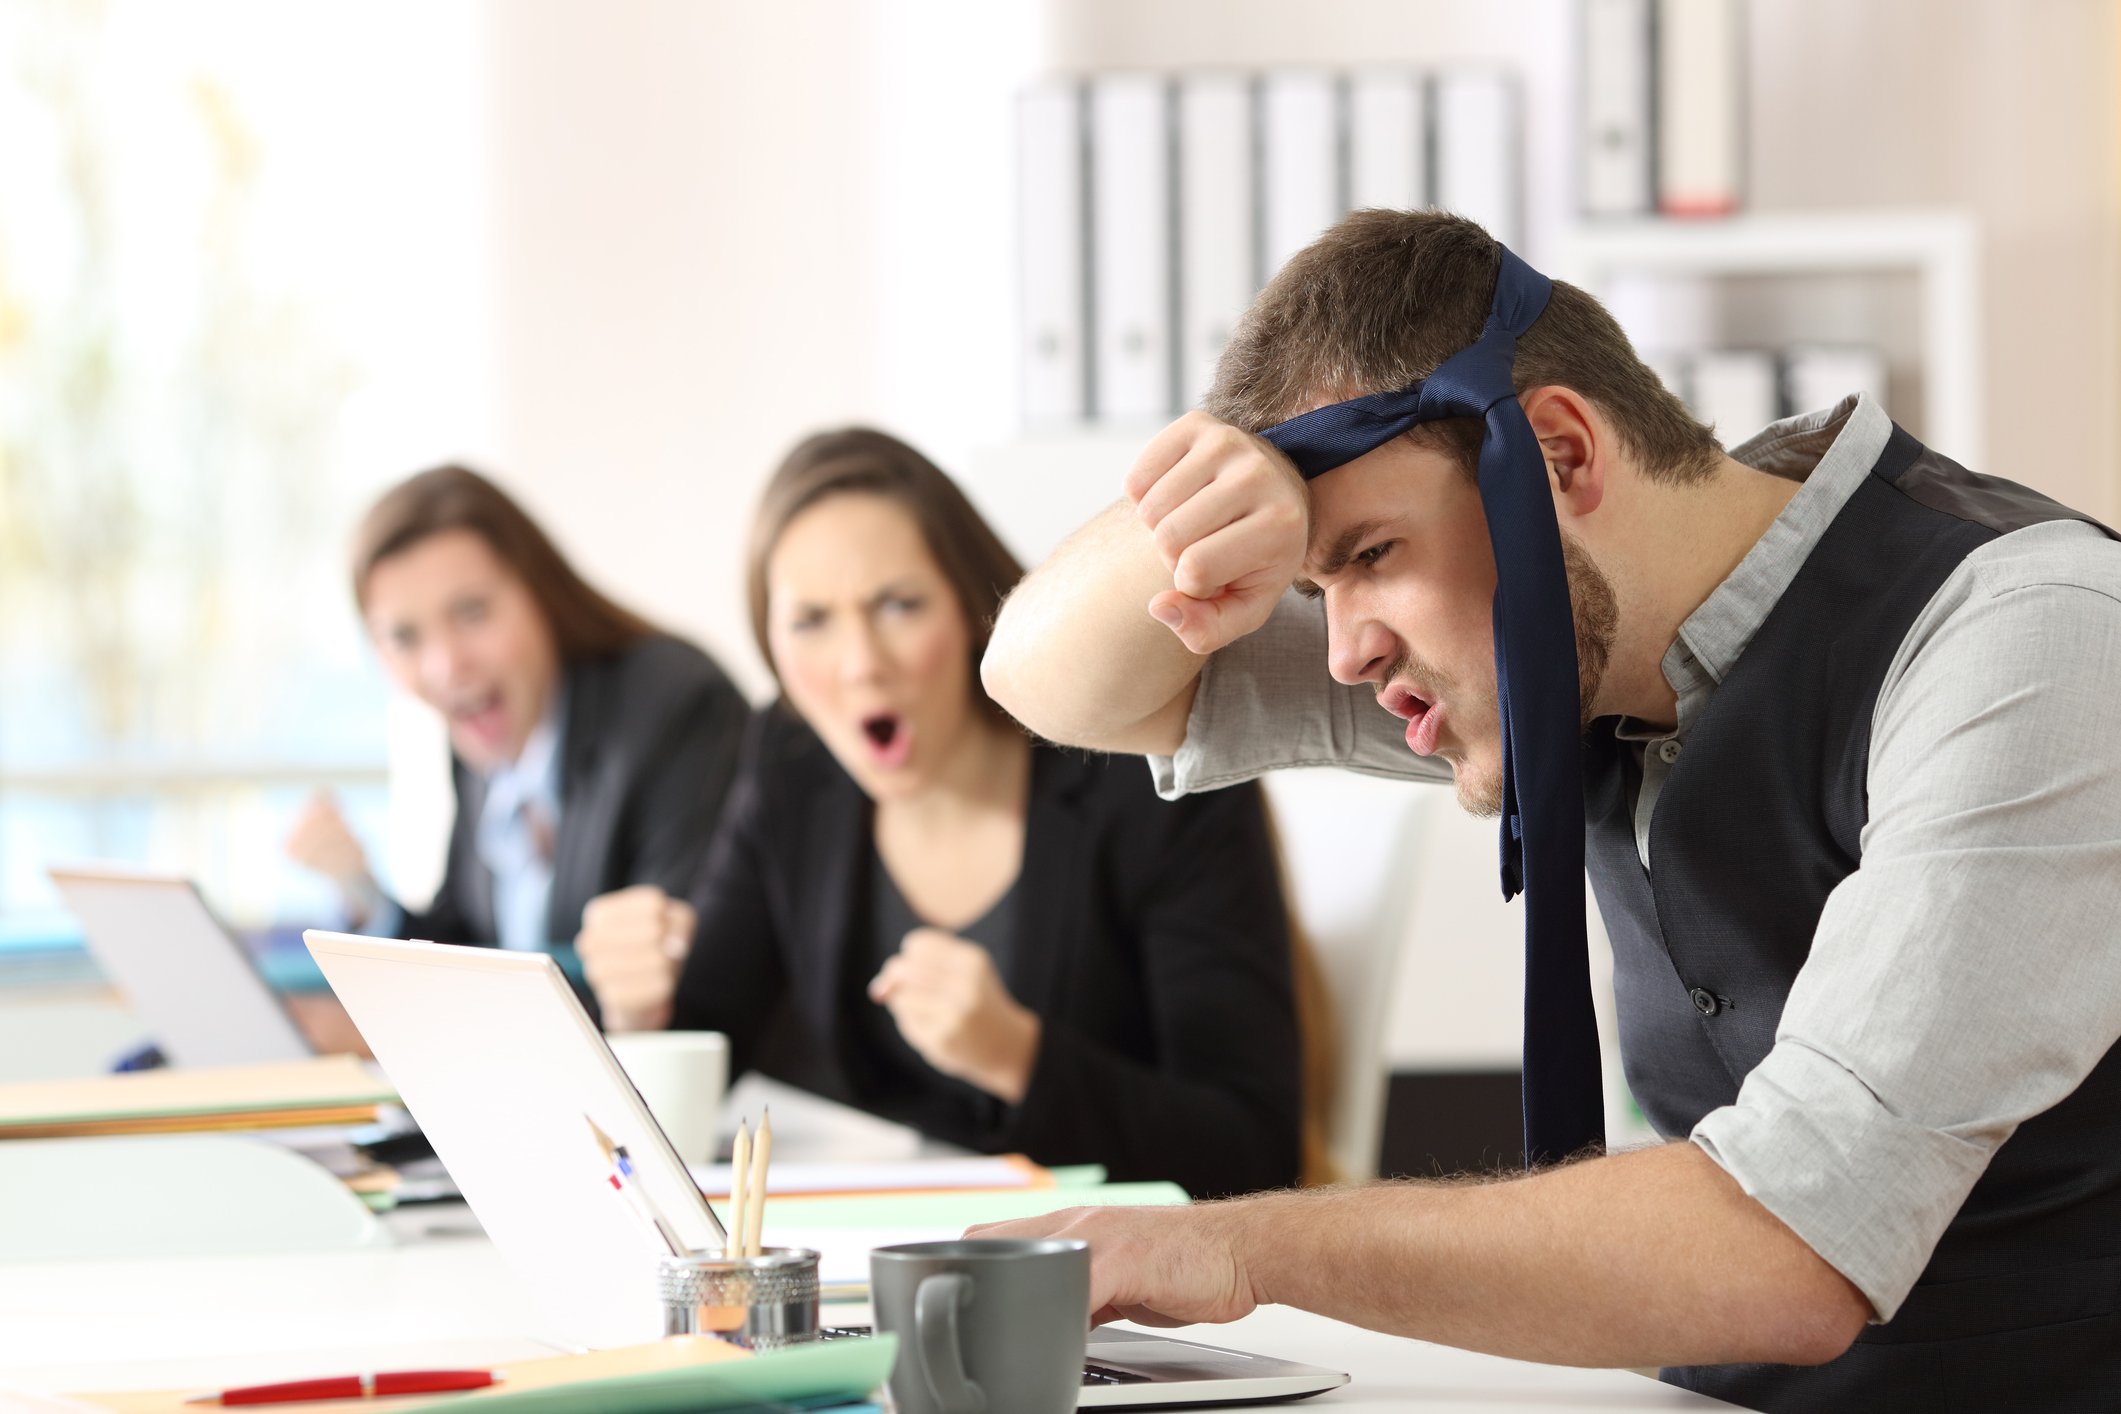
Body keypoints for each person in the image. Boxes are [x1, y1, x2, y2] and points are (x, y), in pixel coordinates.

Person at [973, 211, 2121, 1411]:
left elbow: (1791, 1245)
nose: (1347, 653)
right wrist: (1210, 505)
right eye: (1321, 583)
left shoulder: (2028, 636)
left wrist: (1234, 1249)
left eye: (1370, 552)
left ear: (1561, 458)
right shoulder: (1568, 640)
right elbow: (1045, 680)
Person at [573, 427, 1318, 1199]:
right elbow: (706, 1038)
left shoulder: (1153, 765)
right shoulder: (791, 763)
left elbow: (1251, 1150)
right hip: (886, 1243)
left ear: (970, 608)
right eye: (810, 621)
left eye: (897, 605)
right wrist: (638, 1011)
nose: (860, 663)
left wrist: (1019, 1059)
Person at [286, 466, 748, 1020]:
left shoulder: (674, 707)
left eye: (472, 613)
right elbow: (467, 950)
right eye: (404, 637)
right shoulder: (479, 744)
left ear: (541, 594)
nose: (445, 665)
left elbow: (679, 987)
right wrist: (362, 890)